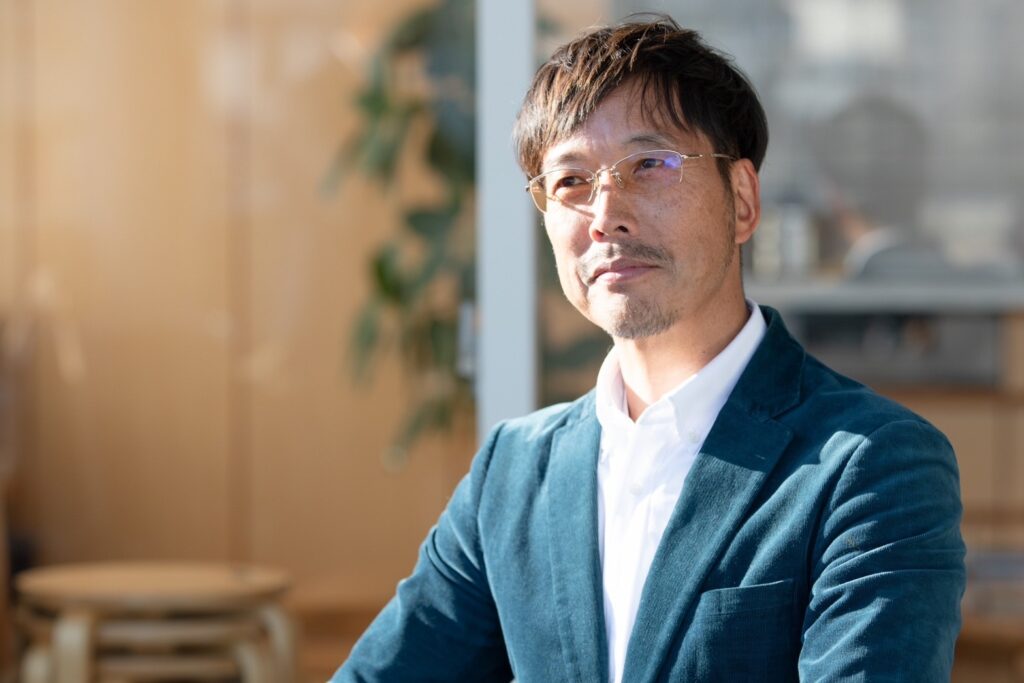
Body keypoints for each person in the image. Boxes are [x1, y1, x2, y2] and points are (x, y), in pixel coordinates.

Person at [333, 16, 965, 682]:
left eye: (650, 165)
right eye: (571, 181)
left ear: (742, 200)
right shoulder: (514, 471)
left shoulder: (871, 464)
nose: (607, 214)